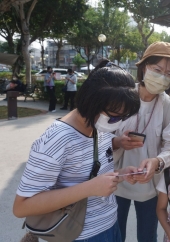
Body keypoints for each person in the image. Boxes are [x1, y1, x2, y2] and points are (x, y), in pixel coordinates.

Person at [13, 60, 141, 241]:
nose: (119, 123)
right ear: (92, 102)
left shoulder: (98, 126)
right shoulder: (56, 139)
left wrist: (120, 174)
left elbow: (90, 169)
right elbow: (22, 207)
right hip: (80, 235)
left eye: (124, 117)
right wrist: (90, 188)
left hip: (111, 224)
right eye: (115, 118)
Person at [112, 41, 170, 242]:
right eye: (157, 69)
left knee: (147, 236)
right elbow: (99, 135)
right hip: (116, 180)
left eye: (168, 74)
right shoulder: (120, 97)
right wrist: (117, 142)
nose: (162, 77)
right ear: (144, 67)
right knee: (115, 235)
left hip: (150, 184)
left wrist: (157, 162)